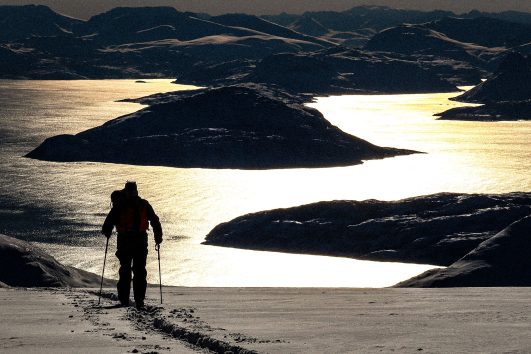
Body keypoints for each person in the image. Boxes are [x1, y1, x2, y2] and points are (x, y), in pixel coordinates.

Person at [102, 181, 163, 309]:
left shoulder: (120, 205)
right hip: (140, 241)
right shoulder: (144, 204)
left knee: (126, 271)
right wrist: (158, 236)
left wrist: (107, 231)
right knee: (139, 271)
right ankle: (139, 301)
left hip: (125, 240)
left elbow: (109, 221)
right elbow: (155, 221)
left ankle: (125, 300)